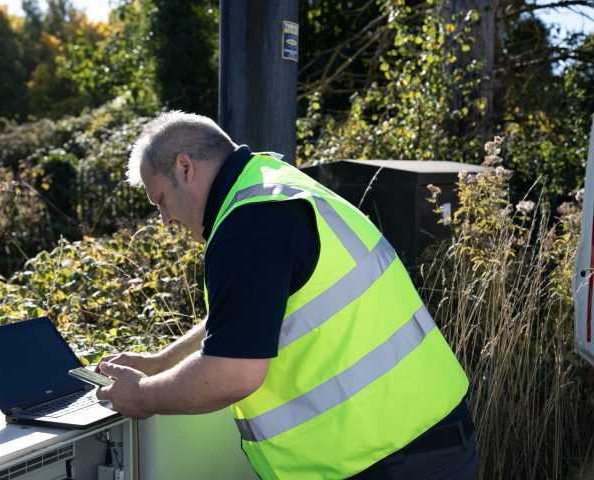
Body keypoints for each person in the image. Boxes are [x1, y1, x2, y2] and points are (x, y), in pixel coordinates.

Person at [96, 111, 479, 479]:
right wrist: (162, 361)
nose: (165, 220)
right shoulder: (273, 188)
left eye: (160, 199)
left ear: (185, 167)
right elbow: (248, 317)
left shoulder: (248, 226)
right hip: (426, 441)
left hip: (387, 460)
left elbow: (232, 374)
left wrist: (143, 396)